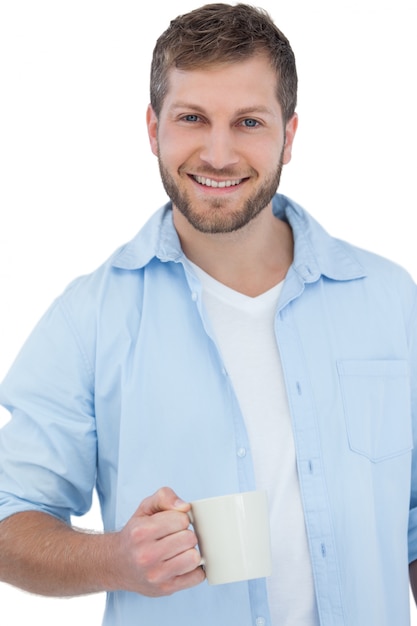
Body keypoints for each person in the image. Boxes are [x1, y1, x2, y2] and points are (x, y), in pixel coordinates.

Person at [0, 2, 416, 624]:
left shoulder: (390, 299)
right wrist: (115, 559)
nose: (218, 155)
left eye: (249, 121)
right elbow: (9, 517)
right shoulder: (90, 318)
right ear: (152, 129)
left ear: (290, 135)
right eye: (192, 118)